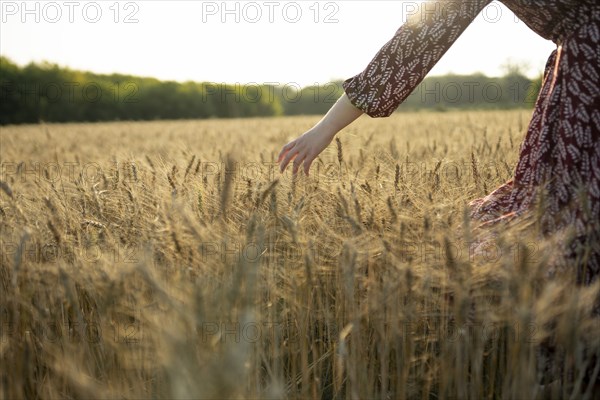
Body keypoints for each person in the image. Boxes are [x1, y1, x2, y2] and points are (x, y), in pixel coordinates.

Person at [277, 0, 599, 286]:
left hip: (589, 78)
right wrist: (326, 128)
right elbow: (418, 37)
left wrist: (325, 128)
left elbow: (418, 40)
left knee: (566, 223)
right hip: (586, 76)